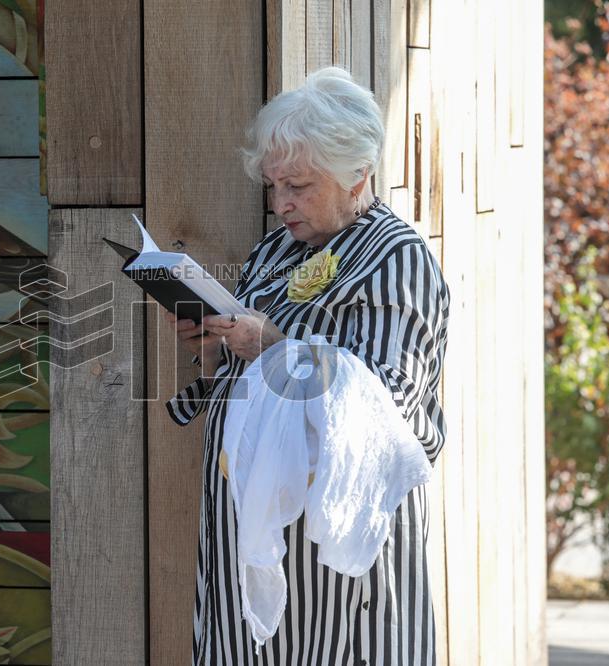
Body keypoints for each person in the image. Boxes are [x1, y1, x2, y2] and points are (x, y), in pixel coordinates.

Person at [163, 66, 450, 665]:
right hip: (247, 526)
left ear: (357, 177)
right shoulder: (278, 249)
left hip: (333, 557)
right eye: (273, 186)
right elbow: (257, 385)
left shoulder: (396, 260)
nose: (281, 205)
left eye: (298, 186)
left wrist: (271, 343)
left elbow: (383, 407)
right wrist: (213, 346)